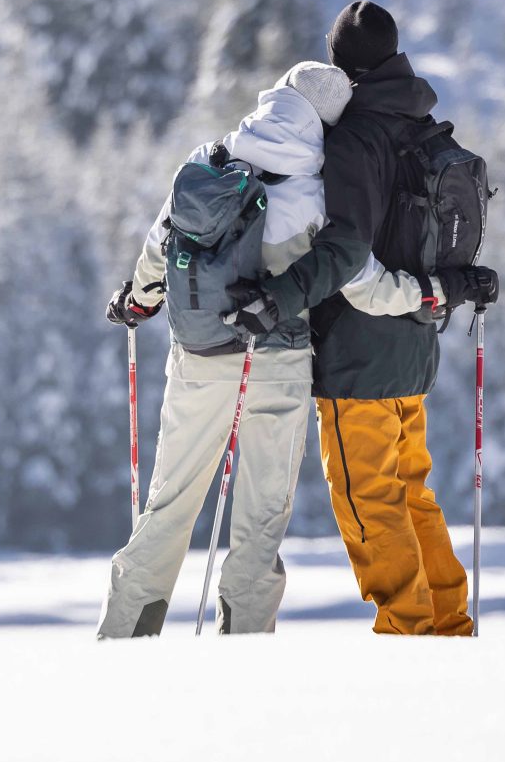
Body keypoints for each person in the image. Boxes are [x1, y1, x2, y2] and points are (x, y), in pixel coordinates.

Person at [96, 61, 427, 637]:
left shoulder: (207, 161)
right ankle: (244, 644)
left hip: (197, 357)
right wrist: (427, 295)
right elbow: (366, 286)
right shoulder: (315, 192)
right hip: (275, 364)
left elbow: (161, 246)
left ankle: (125, 634)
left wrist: (141, 299)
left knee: (169, 503)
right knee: (260, 518)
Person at [251, 1, 499, 636]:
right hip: (415, 345)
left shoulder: (357, 137)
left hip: (358, 355)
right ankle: (447, 626)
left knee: (369, 503)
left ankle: (409, 638)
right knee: (412, 492)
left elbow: (346, 252)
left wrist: (280, 296)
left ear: (342, 63)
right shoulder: (421, 123)